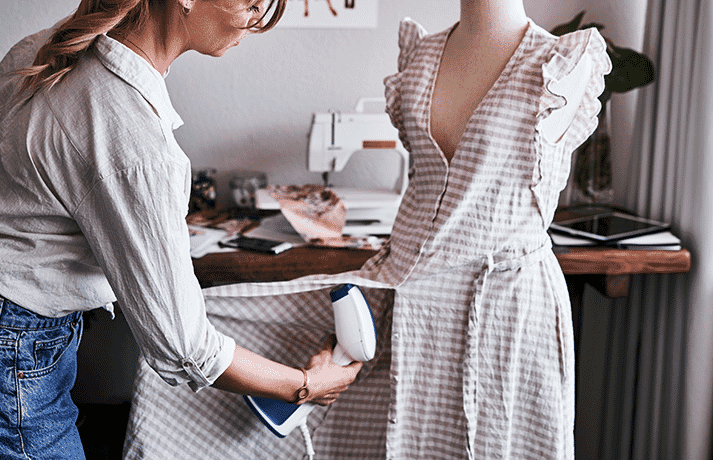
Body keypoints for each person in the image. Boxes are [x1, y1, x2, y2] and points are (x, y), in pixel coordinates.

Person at [121, 0, 612, 459]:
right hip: (407, 292)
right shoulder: (423, 56)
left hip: (504, 307)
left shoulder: (562, 66)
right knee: (204, 318)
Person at [0, 1, 364, 458]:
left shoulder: (46, 47)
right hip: (4, 358)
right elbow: (183, 345)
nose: (258, 19)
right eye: (250, 2)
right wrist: (305, 386)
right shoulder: (132, 134)